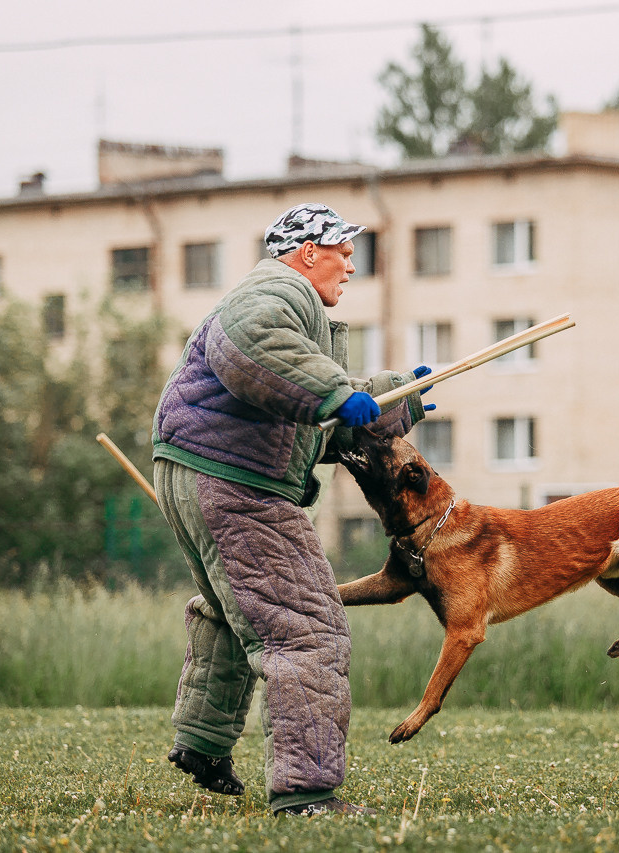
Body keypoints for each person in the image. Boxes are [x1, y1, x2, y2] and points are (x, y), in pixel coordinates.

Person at [150, 202, 432, 816]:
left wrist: (392, 401)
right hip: (235, 483)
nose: (352, 265)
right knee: (306, 630)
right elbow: (254, 348)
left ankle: (202, 741)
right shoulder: (274, 292)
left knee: (233, 610)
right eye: (344, 251)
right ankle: (307, 793)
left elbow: (311, 424)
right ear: (307, 252)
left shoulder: (291, 311)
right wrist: (334, 391)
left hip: (198, 470)